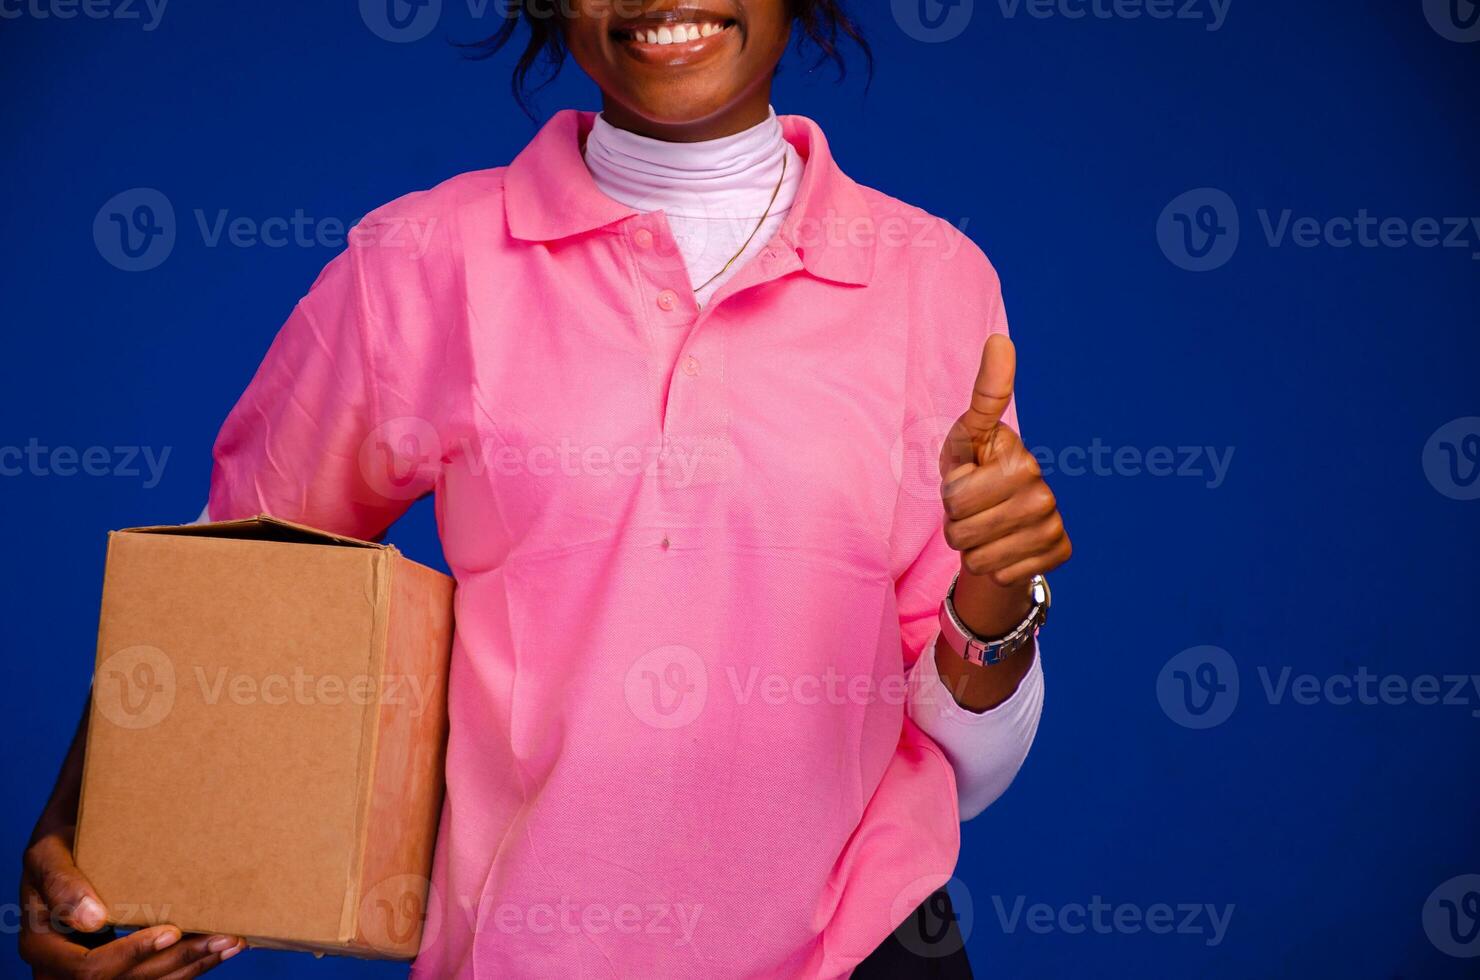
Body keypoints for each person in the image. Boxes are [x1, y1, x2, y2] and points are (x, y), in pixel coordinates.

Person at [19, 2, 1071, 976]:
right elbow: (224, 587)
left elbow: (959, 763)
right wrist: (84, 852)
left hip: (862, 947)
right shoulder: (426, 261)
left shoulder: (929, 280)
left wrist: (997, 590)